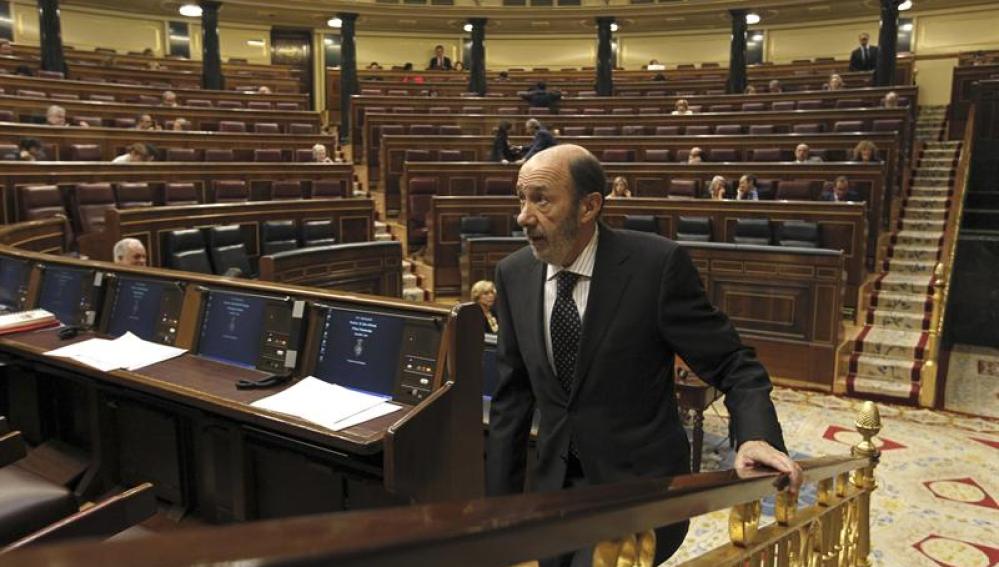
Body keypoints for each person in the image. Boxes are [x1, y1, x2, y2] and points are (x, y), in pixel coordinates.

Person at [487, 144, 801, 567]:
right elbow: (513, 398)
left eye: (541, 199)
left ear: (589, 206)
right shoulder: (513, 274)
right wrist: (497, 514)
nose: (524, 216)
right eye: (521, 199)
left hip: (640, 490)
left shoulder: (656, 267)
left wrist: (756, 435)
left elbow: (733, 364)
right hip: (555, 490)